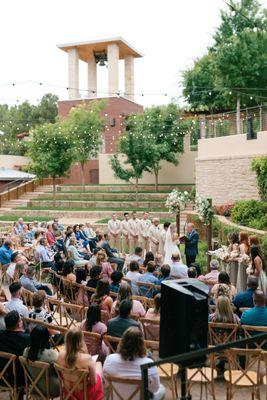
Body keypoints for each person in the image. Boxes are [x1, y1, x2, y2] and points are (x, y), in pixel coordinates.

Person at [103, 327, 165, 400]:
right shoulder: (149, 363)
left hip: (115, 398)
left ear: (122, 341)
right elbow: (155, 389)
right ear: (142, 344)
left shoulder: (110, 359)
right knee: (162, 389)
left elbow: (106, 383)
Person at [57, 328, 103, 400]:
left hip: (68, 393)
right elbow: (93, 382)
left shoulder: (60, 355)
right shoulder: (87, 358)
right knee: (99, 364)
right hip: (84, 395)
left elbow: (61, 376)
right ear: (81, 341)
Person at [23, 325, 59, 398]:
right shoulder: (51, 354)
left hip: (34, 386)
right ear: (47, 338)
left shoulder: (26, 352)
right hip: (52, 389)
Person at [0, 311, 30, 387]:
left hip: (3, 376)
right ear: (20, 324)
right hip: (22, 379)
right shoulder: (27, 339)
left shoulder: (1, 335)